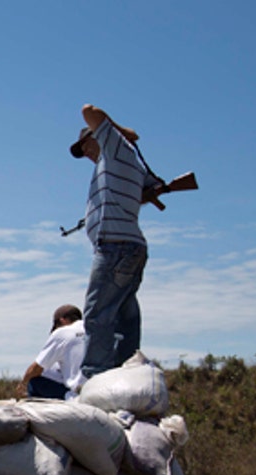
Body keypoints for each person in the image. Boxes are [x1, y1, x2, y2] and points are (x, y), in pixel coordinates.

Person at [70, 104, 162, 382]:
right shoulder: (122, 162)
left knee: (97, 314)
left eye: (86, 143)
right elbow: (148, 191)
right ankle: (127, 372)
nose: (84, 151)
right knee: (124, 316)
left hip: (115, 246)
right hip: (129, 245)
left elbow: (89, 110)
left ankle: (94, 377)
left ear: (99, 136)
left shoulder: (116, 148)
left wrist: (123, 131)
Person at [15, 304, 86, 400]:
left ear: (62, 320)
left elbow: (36, 368)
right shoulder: (95, 329)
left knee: (34, 382)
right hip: (100, 388)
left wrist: (23, 384)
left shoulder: (62, 333)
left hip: (78, 395)